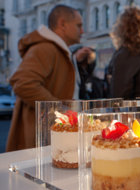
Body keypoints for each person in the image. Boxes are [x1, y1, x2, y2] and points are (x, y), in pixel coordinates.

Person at [6, 5, 83, 152]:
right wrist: (60, 111)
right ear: (62, 24)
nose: (82, 31)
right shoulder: (45, 48)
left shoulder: (57, 50)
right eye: (79, 25)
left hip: (50, 139)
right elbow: (23, 83)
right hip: (40, 143)